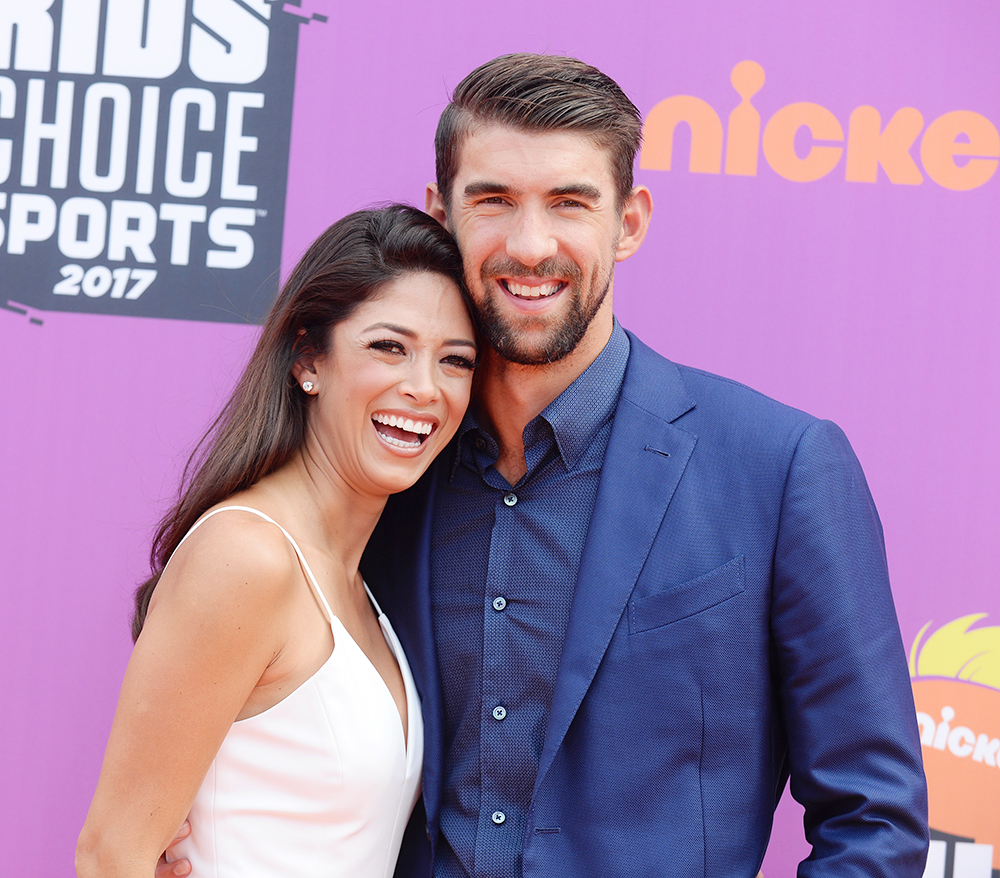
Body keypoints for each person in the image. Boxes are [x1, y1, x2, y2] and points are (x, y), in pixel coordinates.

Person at [165, 54, 929, 878]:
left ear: (629, 222)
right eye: (493, 201)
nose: (530, 246)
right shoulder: (382, 467)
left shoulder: (779, 470)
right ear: (440, 215)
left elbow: (873, 817)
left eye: (570, 202)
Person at [76, 205, 478, 878]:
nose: (423, 388)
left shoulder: (359, 585)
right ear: (306, 360)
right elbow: (110, 854)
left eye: (455, 361)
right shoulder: (248, 557)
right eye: (389, 346)